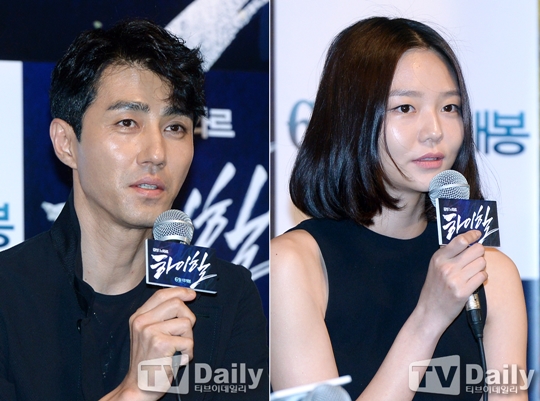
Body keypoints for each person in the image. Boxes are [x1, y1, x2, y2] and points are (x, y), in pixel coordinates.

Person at [0, 19, 268, 400]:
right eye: (127, 123)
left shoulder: (226, 297)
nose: (156, 154)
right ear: (66, 143)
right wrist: (135, 391)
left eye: (175, 127)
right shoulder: (10, 296)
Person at [271, 17, 527, 400]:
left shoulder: (492, 272)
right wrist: (429, 317)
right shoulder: (293, 265)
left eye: (450, 107)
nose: (435, 131)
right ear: (352, 118)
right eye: (405, 108)